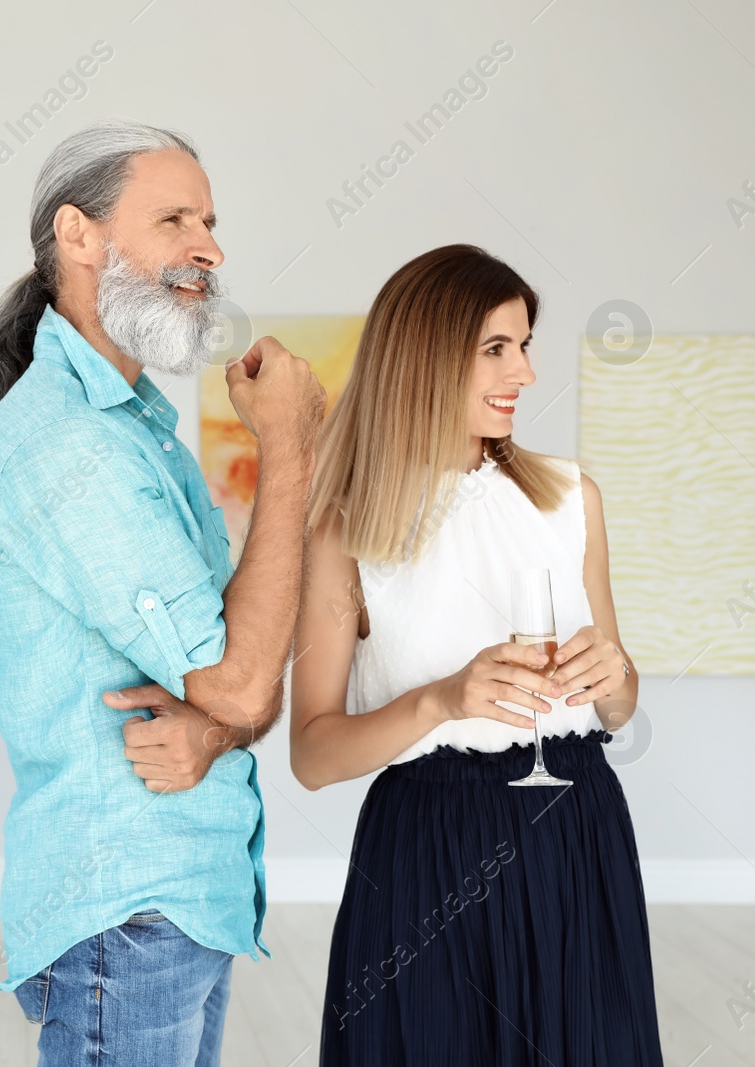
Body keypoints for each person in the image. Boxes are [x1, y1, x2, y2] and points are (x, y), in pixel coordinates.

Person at [0, 120, 324, 1066]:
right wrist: (292, 448)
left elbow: (239, 671)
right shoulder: (72, 444)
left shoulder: (137, 427)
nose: (210, 248)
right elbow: (240, 682)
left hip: (172, 893)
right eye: (174, 217)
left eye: (212, 221)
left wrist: (219, 725)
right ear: (79, 235)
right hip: (127, 908)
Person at [289, 245, 663, 1065]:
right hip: (428, 844)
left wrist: (617, 679)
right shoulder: (346, 530)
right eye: (497, 348)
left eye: (525, 346)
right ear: (424, 355)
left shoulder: (572, 498)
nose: (525, 373)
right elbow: (312, 755)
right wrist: (441, 700)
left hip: (576, 829)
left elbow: (619, 701)